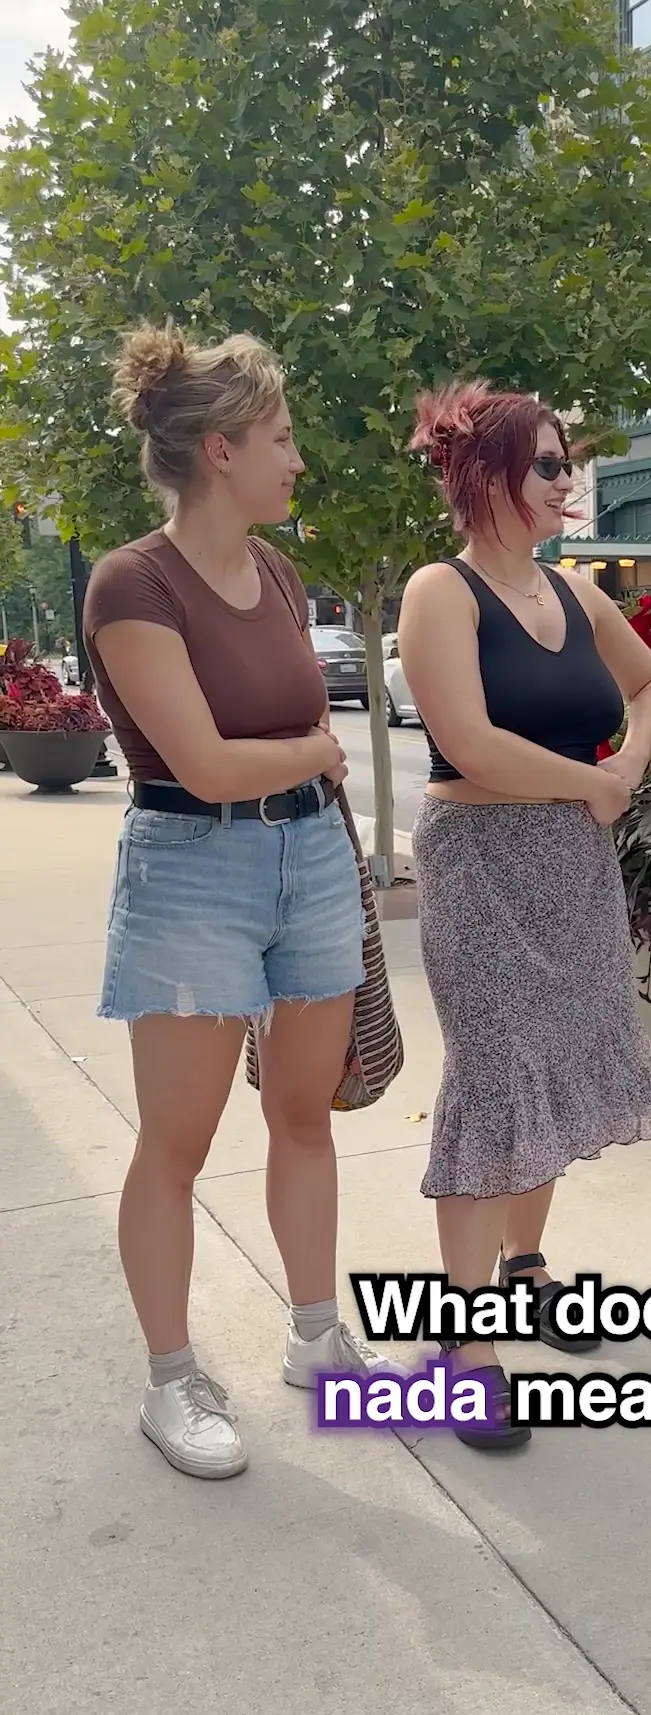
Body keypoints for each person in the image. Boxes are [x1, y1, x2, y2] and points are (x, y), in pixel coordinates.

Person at [83, 323, 396, 1481]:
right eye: (280, 437)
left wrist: (310, 769)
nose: (296, 459)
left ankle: (318, 1339)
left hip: (307, 863)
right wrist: (315, 748)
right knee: (178, 1144)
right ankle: (173, 1382)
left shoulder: (274, 571)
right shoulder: (132, 582)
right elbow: (205, 765)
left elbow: (259, 746)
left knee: (303, 1115)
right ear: (220, 450)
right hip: (192, 869)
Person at [397, 379, 651, 1451]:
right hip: (478, 860)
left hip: (572, 861)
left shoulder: (576, 595)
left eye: (569, 463)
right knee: (493, 1077)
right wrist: (590, 784)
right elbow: (467, 743)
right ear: (488, 478)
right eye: (552, 464)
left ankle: (526, 1269)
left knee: (558, 1065)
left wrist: (623, 769)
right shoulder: (441, 590)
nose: (570, 481)